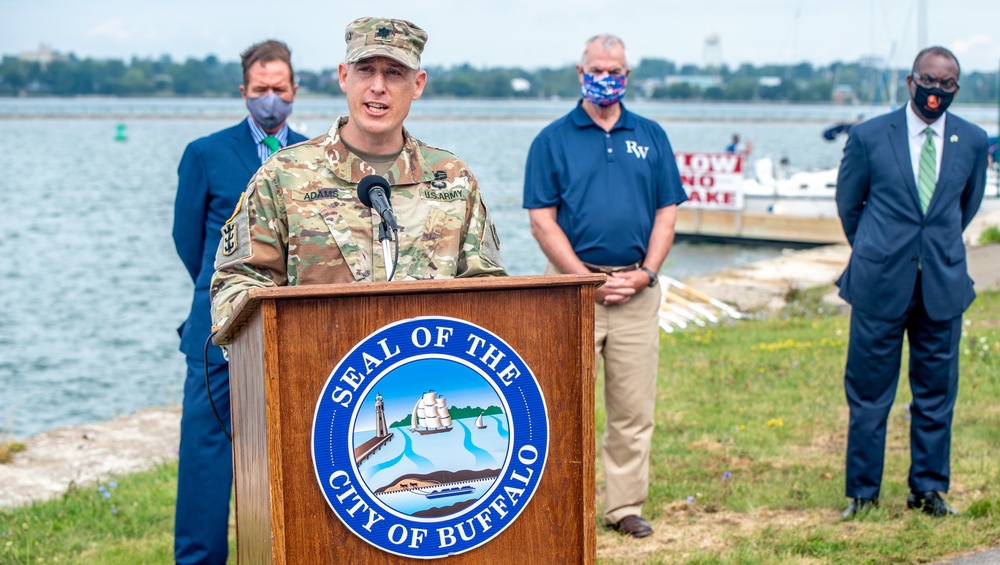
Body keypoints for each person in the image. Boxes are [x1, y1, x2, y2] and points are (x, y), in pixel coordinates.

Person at [210, 17, 505, 328]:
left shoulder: (453, 179)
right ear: (343, 77)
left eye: (394, 73)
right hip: (317, 370)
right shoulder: (283, 175)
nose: (378, 87)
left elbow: (489, 290)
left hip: (427, 371)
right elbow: (236, 285)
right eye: (365, 70)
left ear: (417, 85)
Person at [522, 34, 687, 538]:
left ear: (627, 76)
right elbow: (541, 220)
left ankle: (624, 508)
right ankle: (558, 504)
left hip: (638, 289)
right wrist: (583, 278)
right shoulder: (552, 139)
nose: (606, 76)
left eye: (615, 69)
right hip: (573, 292)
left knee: (633, 410)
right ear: (580, 72)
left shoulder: (651, 135)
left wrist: (648, 272)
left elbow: (667, 211)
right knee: (561, 403)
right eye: (597, 68)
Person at [835, 46, 988, 519]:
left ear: (956, 89)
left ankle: (928, 489)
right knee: (868, 396)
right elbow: (849, 205)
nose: (935, 91)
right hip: (879, 283)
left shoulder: (974, 140)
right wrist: (878, 249)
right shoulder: (868, 136)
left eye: (945, 85)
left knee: (937, 394)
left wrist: (930, 250)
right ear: (910, 82)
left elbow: (966, 207)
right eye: (928, 81)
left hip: (941, 285)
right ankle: (863, 493)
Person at [172, 39, 307, 564]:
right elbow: (188, 242)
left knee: (289, 450)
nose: (270, 99)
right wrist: (220, 289)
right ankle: (200, 558)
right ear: (244, 91)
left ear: (294, 91)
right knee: (206, 455)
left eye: (279, 89)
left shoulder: (310, 158)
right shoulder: (205, 154)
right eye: (260, 90)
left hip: (288, 325)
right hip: (215, 329)